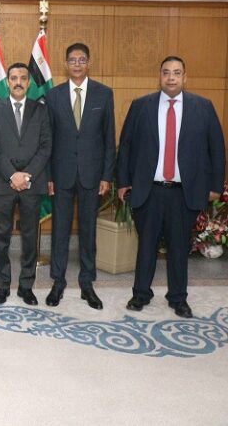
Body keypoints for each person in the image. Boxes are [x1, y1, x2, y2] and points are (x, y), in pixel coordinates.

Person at [117, 56, 225, 318]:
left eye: (177, 72)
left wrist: (215, 186)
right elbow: (126, 145)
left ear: (185, 77)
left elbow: (217, 149)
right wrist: (123, 182)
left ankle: (178, 298)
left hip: (183, 192)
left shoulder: (203, 107)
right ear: (160, 76)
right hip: (149, 190)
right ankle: (140, 294)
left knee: (178, 248)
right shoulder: (141, 106)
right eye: (166, 72)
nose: (171, 77)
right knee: (146, 246)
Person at [45, 43, 115, 309]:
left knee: (88, 232)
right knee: (60, 231)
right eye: (72, 60)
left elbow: (109, 139)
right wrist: (49, 176)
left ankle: (87, 283)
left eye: (82, 59)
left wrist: (106, 176)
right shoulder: (53, 95)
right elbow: (48, 140)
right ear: (65, 64)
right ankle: (58, 282)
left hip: (92, 175)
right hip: (61, 175)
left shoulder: (103, 94)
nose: (77, 64)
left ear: (89, 62)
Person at [0, 62, 52, 306]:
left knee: (30, 237)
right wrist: (12, 175)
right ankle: (3, 286)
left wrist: (27, 175)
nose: (18, 82)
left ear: (29, 82)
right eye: (14, 78)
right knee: (1, 237)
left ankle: (26, 287)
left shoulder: (41, 110)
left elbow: (46, 146)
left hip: (32, 184)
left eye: (23, 78)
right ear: (7, 82)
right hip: (4, 183)